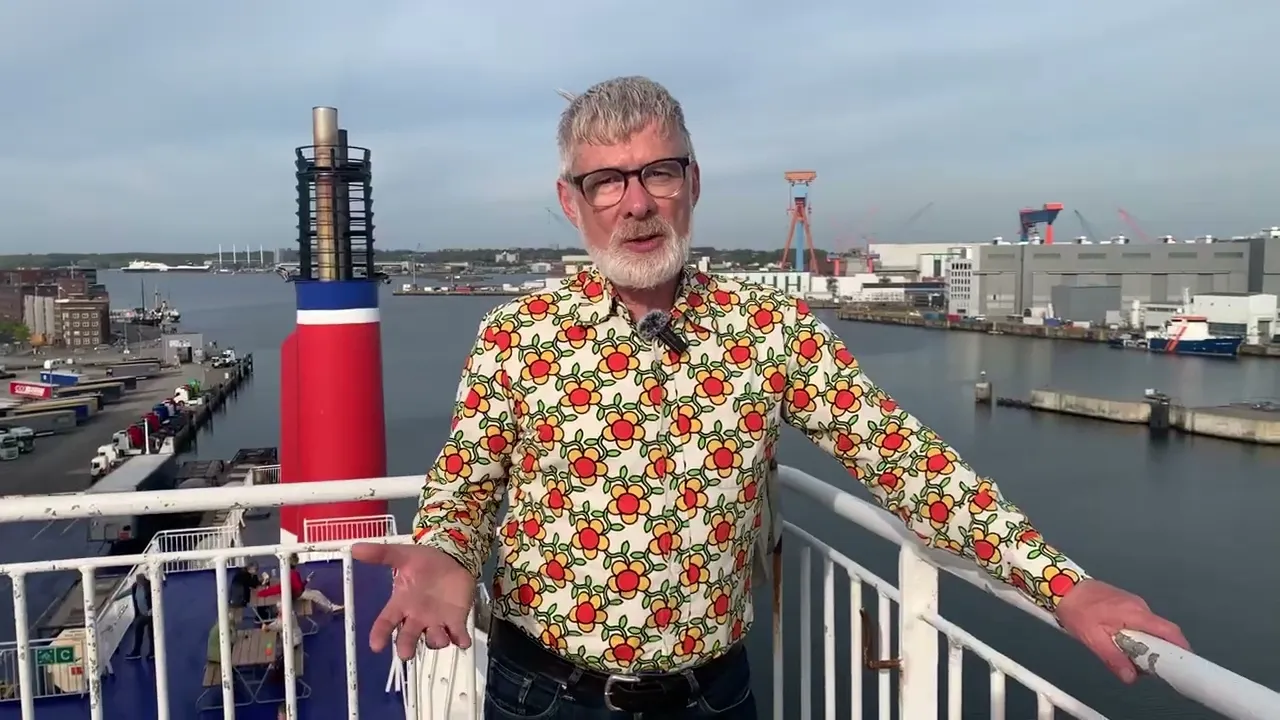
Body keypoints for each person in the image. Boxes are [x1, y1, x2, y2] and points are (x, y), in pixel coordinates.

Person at [353, 76, 1191, 719]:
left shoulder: (768, 329)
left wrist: (1061, 585)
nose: (636, 203)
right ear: (572, 203)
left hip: (710, 698)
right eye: (606, 181)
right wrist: (448, 551)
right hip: (543, 694)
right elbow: (467, 486)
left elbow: (902, 458)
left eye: (658, 172)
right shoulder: (517, 334)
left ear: (693, 183)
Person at [256, 554, 343, 613]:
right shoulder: (294, 573)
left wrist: (261, 593)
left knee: (315, 593)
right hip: (297, 594)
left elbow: (279, 588)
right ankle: (331, 607)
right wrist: (306, 581)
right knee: (316, 594)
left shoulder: (287, 573)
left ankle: (327, 607)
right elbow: (299, 588)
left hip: (295, 593)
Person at [126, 574, 153, 659]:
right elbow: (129, 594)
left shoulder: (150, 586)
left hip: (151, 613)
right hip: (141, 613)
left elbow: (155, 596)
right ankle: (137, 652)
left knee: (151, 633)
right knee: (138, 629)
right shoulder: (135, 587)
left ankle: (152, 652)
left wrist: (152, 609)